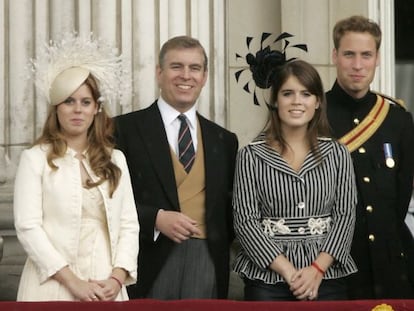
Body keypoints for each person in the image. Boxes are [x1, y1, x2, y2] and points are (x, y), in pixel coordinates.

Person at [13, 33, 139, 301]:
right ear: (56, 108)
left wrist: (117, 279)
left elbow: (129, 225)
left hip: (107, 284)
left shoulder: (116, 160)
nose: (77, 110)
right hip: (51, 284)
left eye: (85, 102)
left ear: (96, 109)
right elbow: (27, 227)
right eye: (69, 101)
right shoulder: (35, 159)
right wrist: (73, 282)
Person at [114, 35, 239, 299]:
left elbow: (230, 208)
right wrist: (155, 218)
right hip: (146, 260)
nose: (186, 75)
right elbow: (106, 202)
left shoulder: (224, 140)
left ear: (204, 76)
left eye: (195, 68)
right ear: (159, 73)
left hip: (207, 263)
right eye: (176, 66)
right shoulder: (122, 129)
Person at [232, 55, 358, 301]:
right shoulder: (250, 156)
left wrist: (317, 268)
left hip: (327, 277)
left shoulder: (337, 153)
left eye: (306, 94)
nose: (297, 102)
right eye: (288, 93)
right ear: (275, 101)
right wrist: (287, 271)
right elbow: (245, 221)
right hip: (267, 280)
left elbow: (345, 216)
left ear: (318, 102)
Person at [326, 15, 414, 299]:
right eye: (349, 54)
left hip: (390, 261)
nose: (358, 65)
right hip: (335, 263)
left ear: (377, 58)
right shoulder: (315, 114)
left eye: (366, 55)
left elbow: (402, 193)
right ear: (335, 56)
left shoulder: (397, 119)